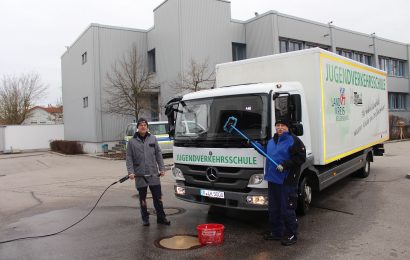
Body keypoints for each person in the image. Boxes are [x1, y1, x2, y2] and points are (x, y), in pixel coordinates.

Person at [254, 119, 306, 246]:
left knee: (287, 208)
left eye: (283, 125)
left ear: (287, 128)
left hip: (286, 180)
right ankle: (277, 232)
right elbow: (265, 152)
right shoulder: (272, 141)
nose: (280, 128)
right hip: (273, 179)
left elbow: (300, 157)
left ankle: (292, 234)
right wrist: (255, 145)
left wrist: (285, 164)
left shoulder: (294, 141)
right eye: (278, 125)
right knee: (274, 208)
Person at [126, 118, 171, 226]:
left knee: (158, 197)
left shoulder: (153, 139)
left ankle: (161, 217)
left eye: (145, 125)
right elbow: (129, 158)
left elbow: (159, 155)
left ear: (147, 127)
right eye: (141, 125)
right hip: (140, 174)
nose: (143, 126)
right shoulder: (132, 141)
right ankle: (145, 218)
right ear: (138, 127)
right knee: (143, 199)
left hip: (153, 173)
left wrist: (162, 168)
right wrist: (130, 172)